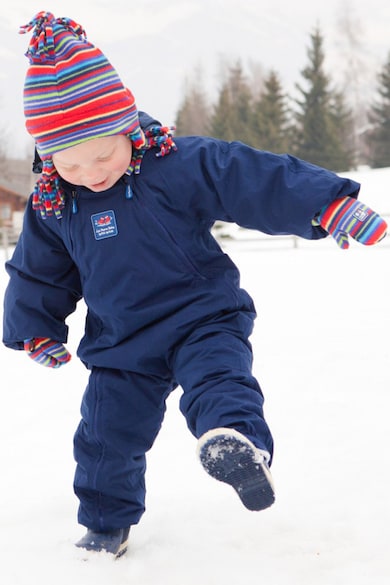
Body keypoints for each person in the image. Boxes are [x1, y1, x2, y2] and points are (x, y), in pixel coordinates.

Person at [2, 11, 387, 559]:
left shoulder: (174, 164)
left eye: (104, 153)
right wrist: (35, 327)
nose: (91, 172)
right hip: (121, 343)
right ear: (48, 157)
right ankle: (105, 524)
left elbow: (251, 178)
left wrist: (329, 205)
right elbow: (38, 270)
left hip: (201, 317)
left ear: (127, 125)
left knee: (219, 382)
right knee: (105, 436)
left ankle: (237, 446)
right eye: (71, 161)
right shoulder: (54, 204)